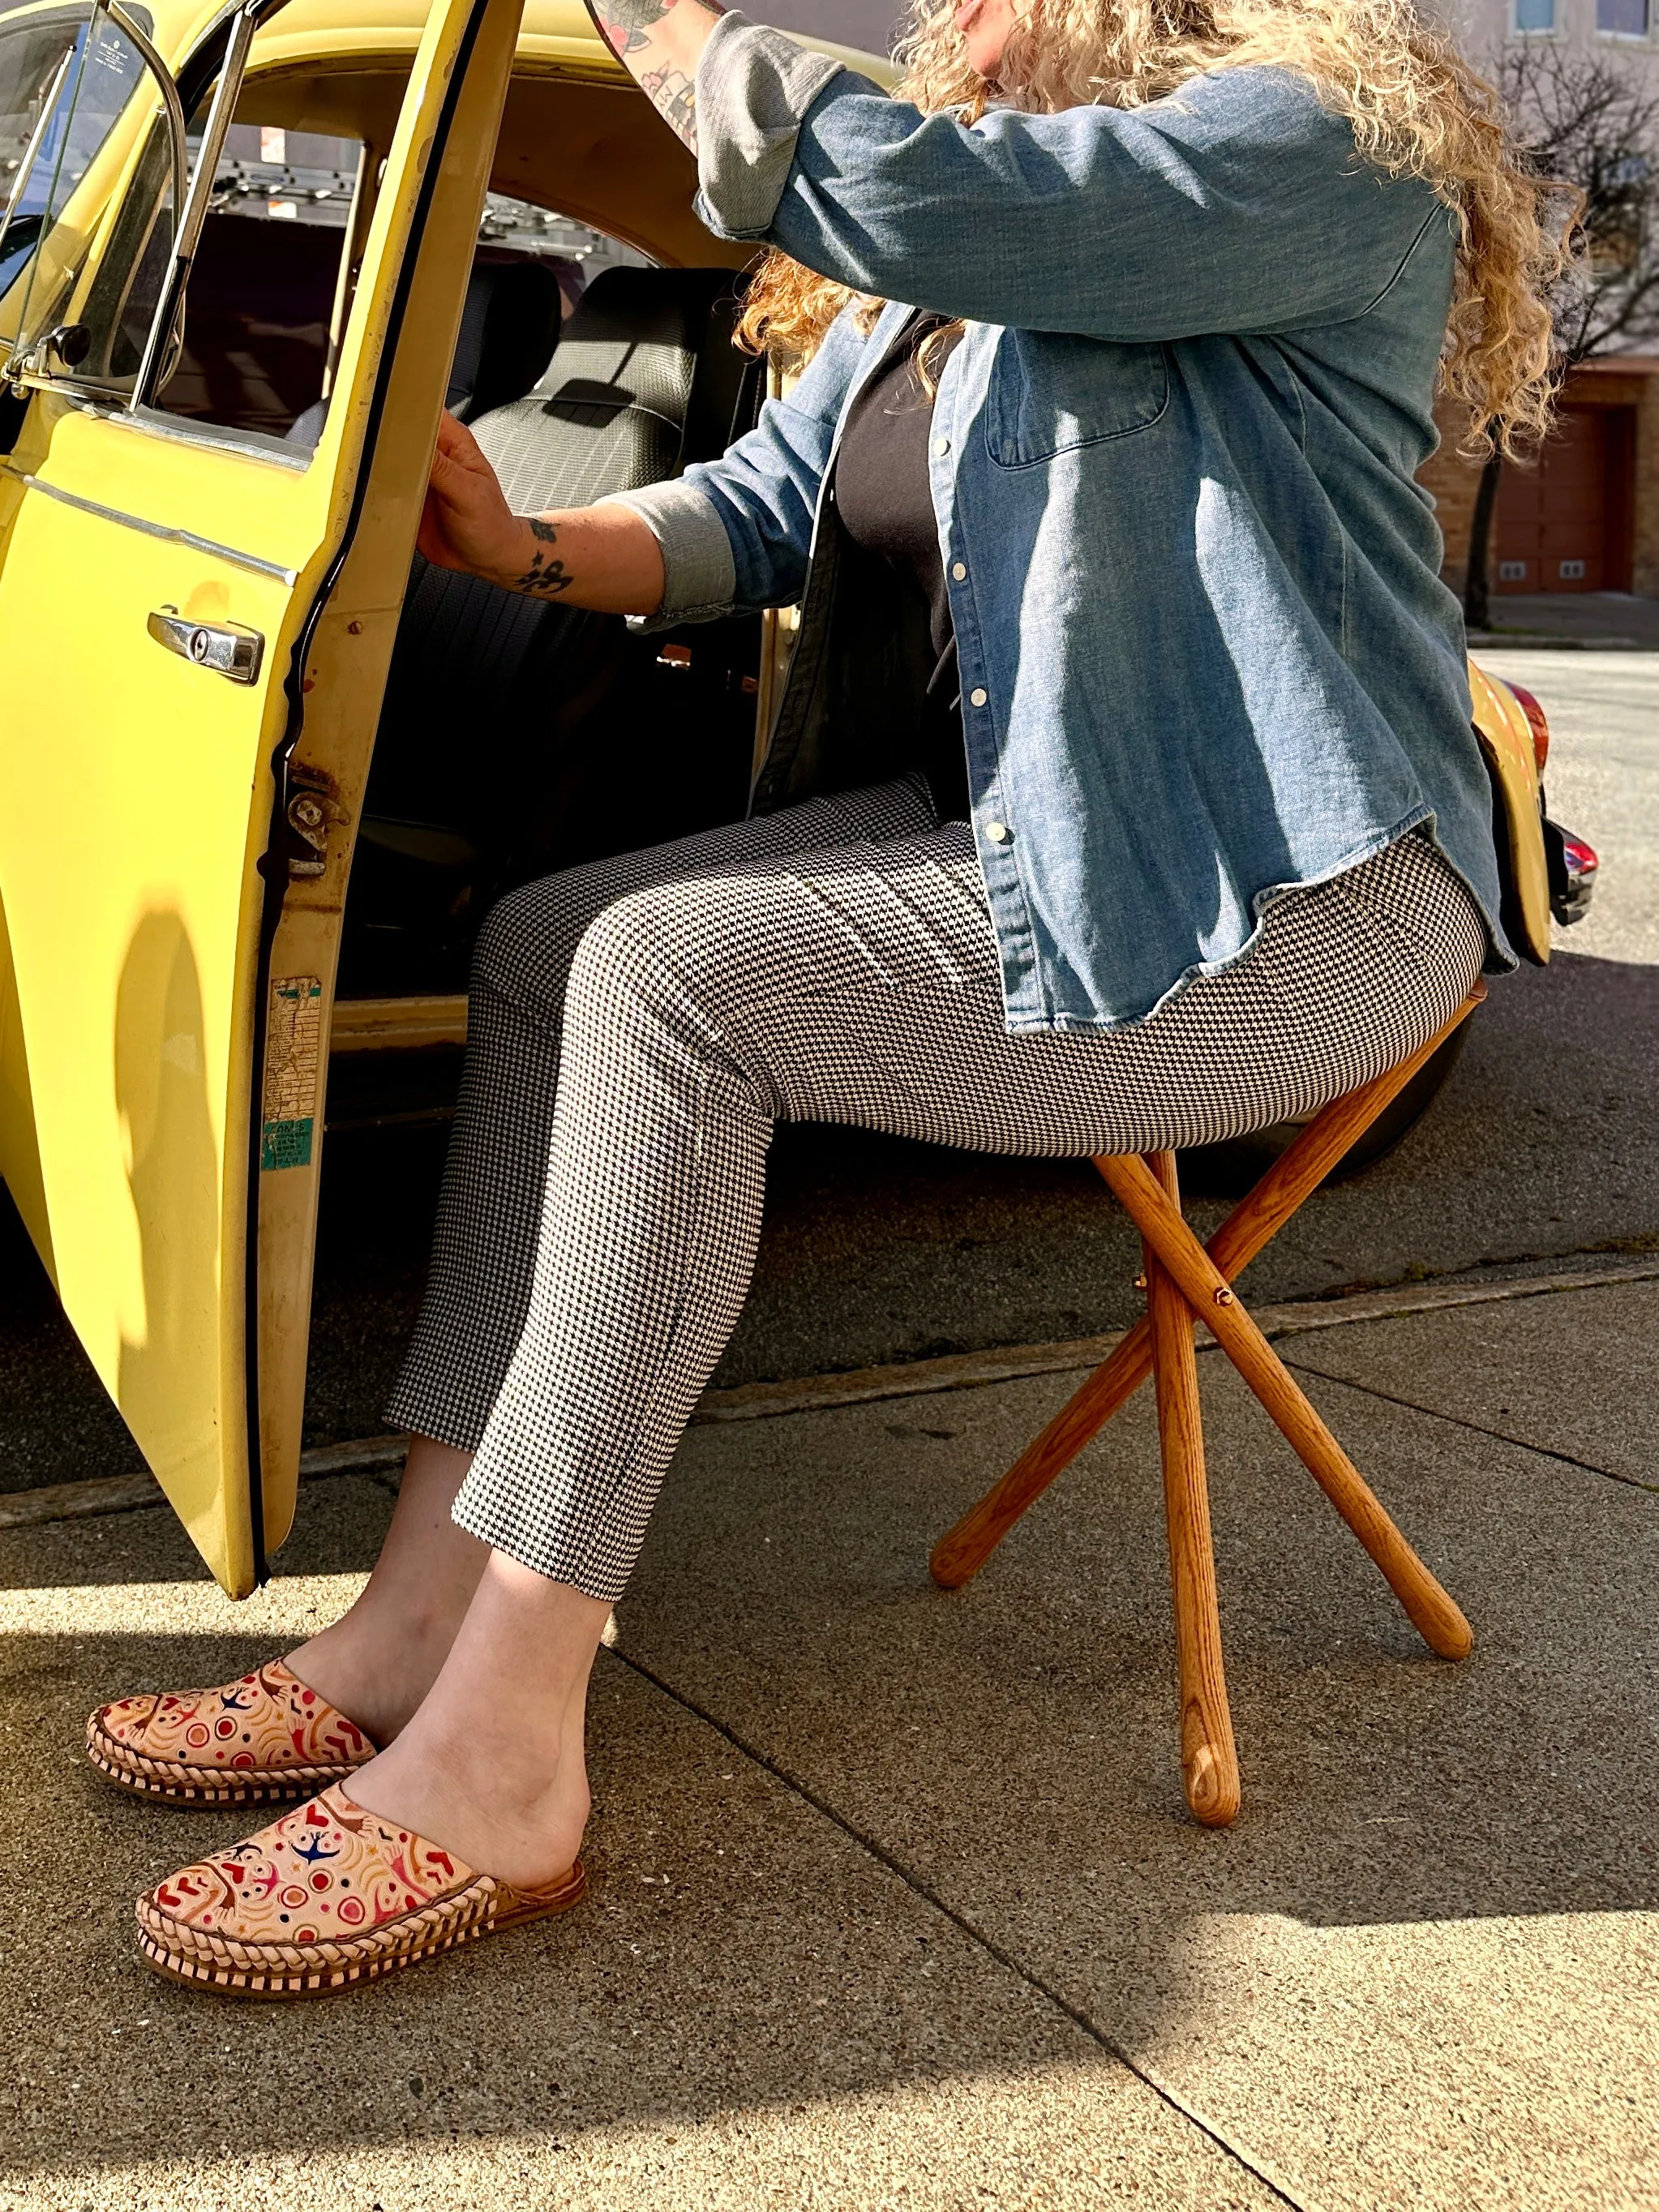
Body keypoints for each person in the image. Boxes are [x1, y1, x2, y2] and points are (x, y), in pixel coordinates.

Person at [98, 0, 1562, 1997]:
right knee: (545, 943)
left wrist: (684, 31)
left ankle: (512, 1743)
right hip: (1025, 832)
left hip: (1271, 897)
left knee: (675, 982)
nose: (943, 10)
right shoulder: (941, 268)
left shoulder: (1298, 156)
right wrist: (518, 540)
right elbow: (763, 507)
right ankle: (415, 1618)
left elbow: (942, 193)